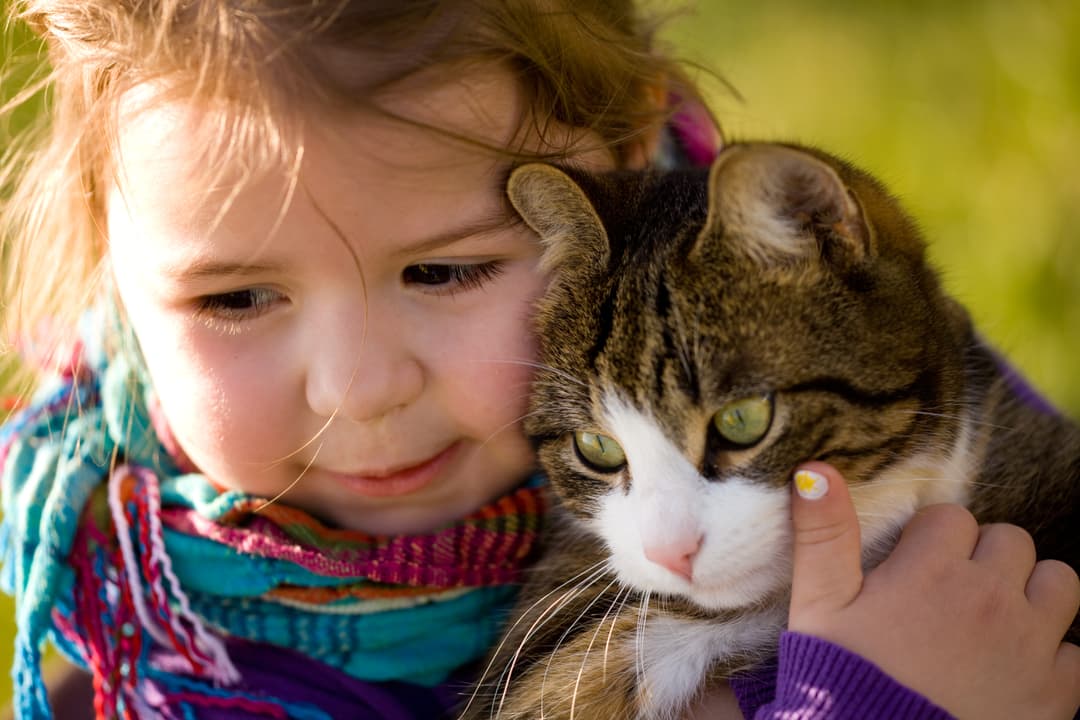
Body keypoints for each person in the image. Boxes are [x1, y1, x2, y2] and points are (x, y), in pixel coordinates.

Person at [0, 1, 1076, 719]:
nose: (361, 390)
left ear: (621, 156)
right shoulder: (137, 651)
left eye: (446, 272)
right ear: (112, 267)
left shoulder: (768, 318)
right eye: (235, 297)